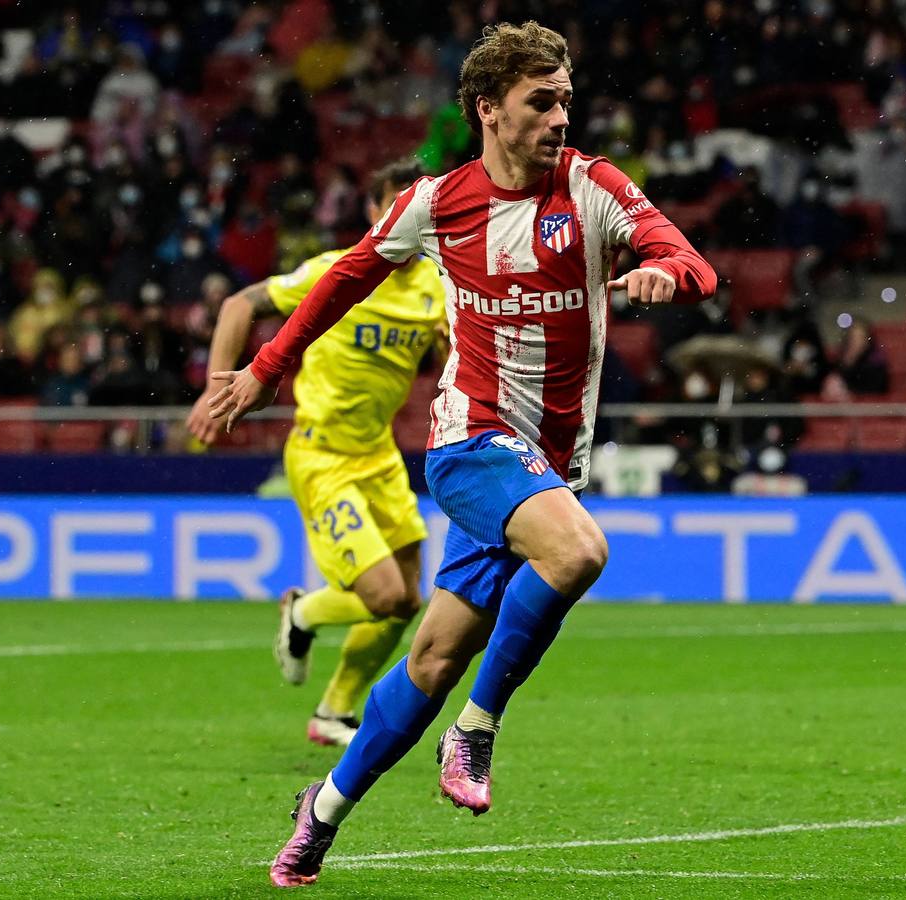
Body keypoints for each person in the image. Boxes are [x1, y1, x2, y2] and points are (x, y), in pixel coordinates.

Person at [205, 22, 716, 887]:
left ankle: (319, 815)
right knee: (581, 550)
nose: (561, 116)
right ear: (488, 108)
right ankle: (476, 730)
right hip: (471, 440)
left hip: (544, 463)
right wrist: (262, 369)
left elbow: (691, 261)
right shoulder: (437, 202)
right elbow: (341, 280)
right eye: (540, 101)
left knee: (433, 656)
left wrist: (668, 271)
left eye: (565, 98)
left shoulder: (593, 186)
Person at [186, 158, 445, 748]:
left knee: (406, 602)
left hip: (378, 457)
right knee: (381, 594)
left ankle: (335, 710)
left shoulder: (436, 285)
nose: (404, 217)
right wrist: (216, 385)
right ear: (374, 212)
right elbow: (238, 306)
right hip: (322, 455)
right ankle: (301, 614)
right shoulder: (337, 271)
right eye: (391, 204)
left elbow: (445, 348)